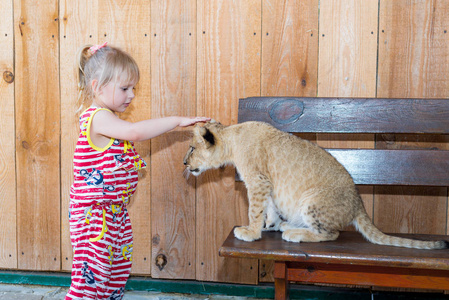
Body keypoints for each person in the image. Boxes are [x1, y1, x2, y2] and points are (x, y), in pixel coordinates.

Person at [66, 42, 209, 299]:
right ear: (97, 86)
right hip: (94, 217)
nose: (131, 95)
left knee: (114, 276)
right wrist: (177, 121)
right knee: (91, 282)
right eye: (124, 88)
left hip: (114, 215)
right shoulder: (98, 117)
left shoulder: (110, 120)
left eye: (133, 88)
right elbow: (135, 132)